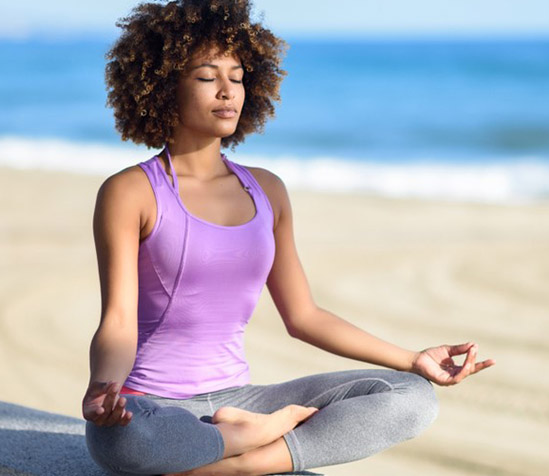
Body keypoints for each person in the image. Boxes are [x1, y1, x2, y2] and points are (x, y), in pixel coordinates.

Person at [82, 1, 496, 475]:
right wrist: (103, 390)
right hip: (155, 404)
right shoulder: (130, 191)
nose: (227, 92)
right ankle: (238, 439)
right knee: (122, 442)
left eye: (236, 77)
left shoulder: (267, 191)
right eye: (206, 77)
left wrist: (413, 359)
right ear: (161, 86)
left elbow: (303, 316)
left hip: (244, 399)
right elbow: (118, 320)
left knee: (411, 398)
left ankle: (239, 460)